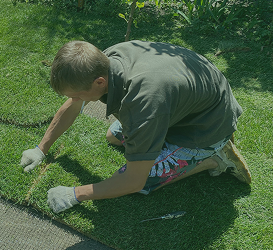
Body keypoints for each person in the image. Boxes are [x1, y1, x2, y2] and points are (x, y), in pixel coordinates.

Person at [19, 40, 251, 213]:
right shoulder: (107, 59)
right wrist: (41, 148)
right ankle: (171, 141)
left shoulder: (143, 103)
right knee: (113, 135)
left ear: (99, 82)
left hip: (208, 126)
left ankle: (215, 157)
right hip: (187, 105)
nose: (77, 99)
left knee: (140, 181)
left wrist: (73, 195)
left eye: (80, 94)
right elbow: (73, 104)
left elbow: (133, 180)